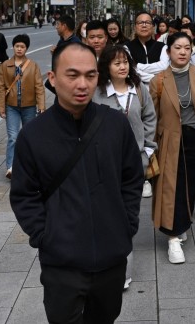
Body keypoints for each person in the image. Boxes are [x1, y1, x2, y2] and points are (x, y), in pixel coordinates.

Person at [10, 42, 143, 323]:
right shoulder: (33, 135)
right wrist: (45, 235)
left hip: (111, 257)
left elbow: (132, 178)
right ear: (52, 79)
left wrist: (127, 223)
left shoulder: (115, 125)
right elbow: (23, 195)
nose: (83, 84)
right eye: (72, 75)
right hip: (62, 262)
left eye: (90, 75)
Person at [150, 32, 195, 264]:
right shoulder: (158, 80)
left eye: (187, 48)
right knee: (172, 186)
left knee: (190, 185)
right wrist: (152, 146)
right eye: (177, 47)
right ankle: (173, 237)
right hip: (169, 141)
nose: (182, 52)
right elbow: (152, 116)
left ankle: (182, 222)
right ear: (168, 51)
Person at [93, 45, 157, 289]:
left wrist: (148, 150)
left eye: (125, 62)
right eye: (116, 62)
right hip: (103, 165)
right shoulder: (97, 92)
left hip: (134, 165)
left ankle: (123, 271)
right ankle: (103, 264)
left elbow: (150, 118)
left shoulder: (139, 89)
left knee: (126, 217)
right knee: (103, 215)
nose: (122, 66)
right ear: (106, 67)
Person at [0, 34, 45, 179]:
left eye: (22, 46)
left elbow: (39, 86)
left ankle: (30, 166)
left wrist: (41, 106)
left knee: (29, 137)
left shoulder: (33, 65)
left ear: (26, 48)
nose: (19, 49)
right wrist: (1, 107)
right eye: (17, 46)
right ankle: (11, 167)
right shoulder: (5, 65)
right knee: (13, 137)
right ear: (13, 47)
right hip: (12, 106)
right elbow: (1, 87)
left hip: (29, 106)